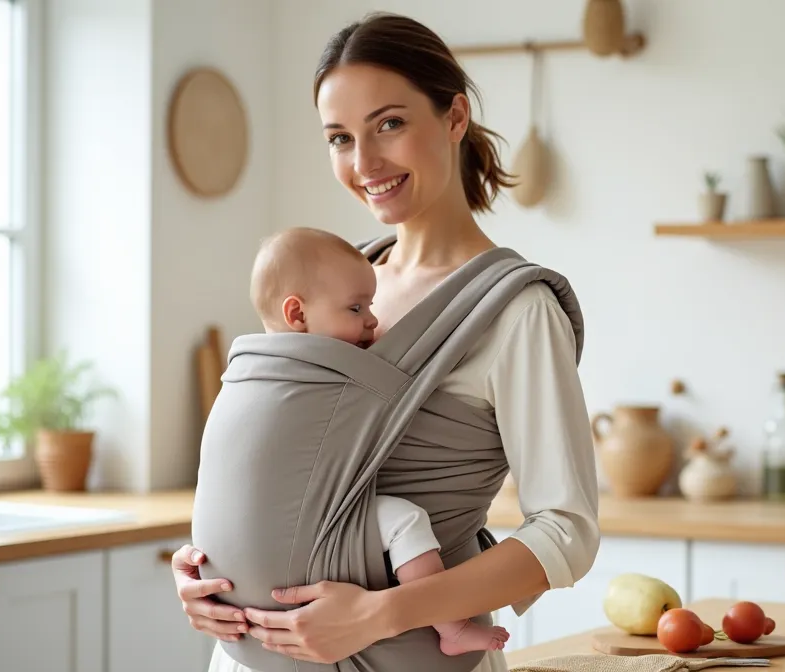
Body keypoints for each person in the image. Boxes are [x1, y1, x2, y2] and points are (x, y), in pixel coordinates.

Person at [171, 11, 600, 672]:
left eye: (389, 125)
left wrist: (380, 613)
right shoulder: (328, 286)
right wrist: (205, 568)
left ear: (455, 117)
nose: (363, 162)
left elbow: (567, 532)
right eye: (340, 138)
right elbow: (269, 462)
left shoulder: (517, 311)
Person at [222, 224, 512, 656]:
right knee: (404, 519)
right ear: (297, 315)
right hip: (309, 518)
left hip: (248, 542)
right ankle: (450, 626)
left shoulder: (255, 371)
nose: (373, 321)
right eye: (356, 308)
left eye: (370, 305)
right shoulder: (321, 377)